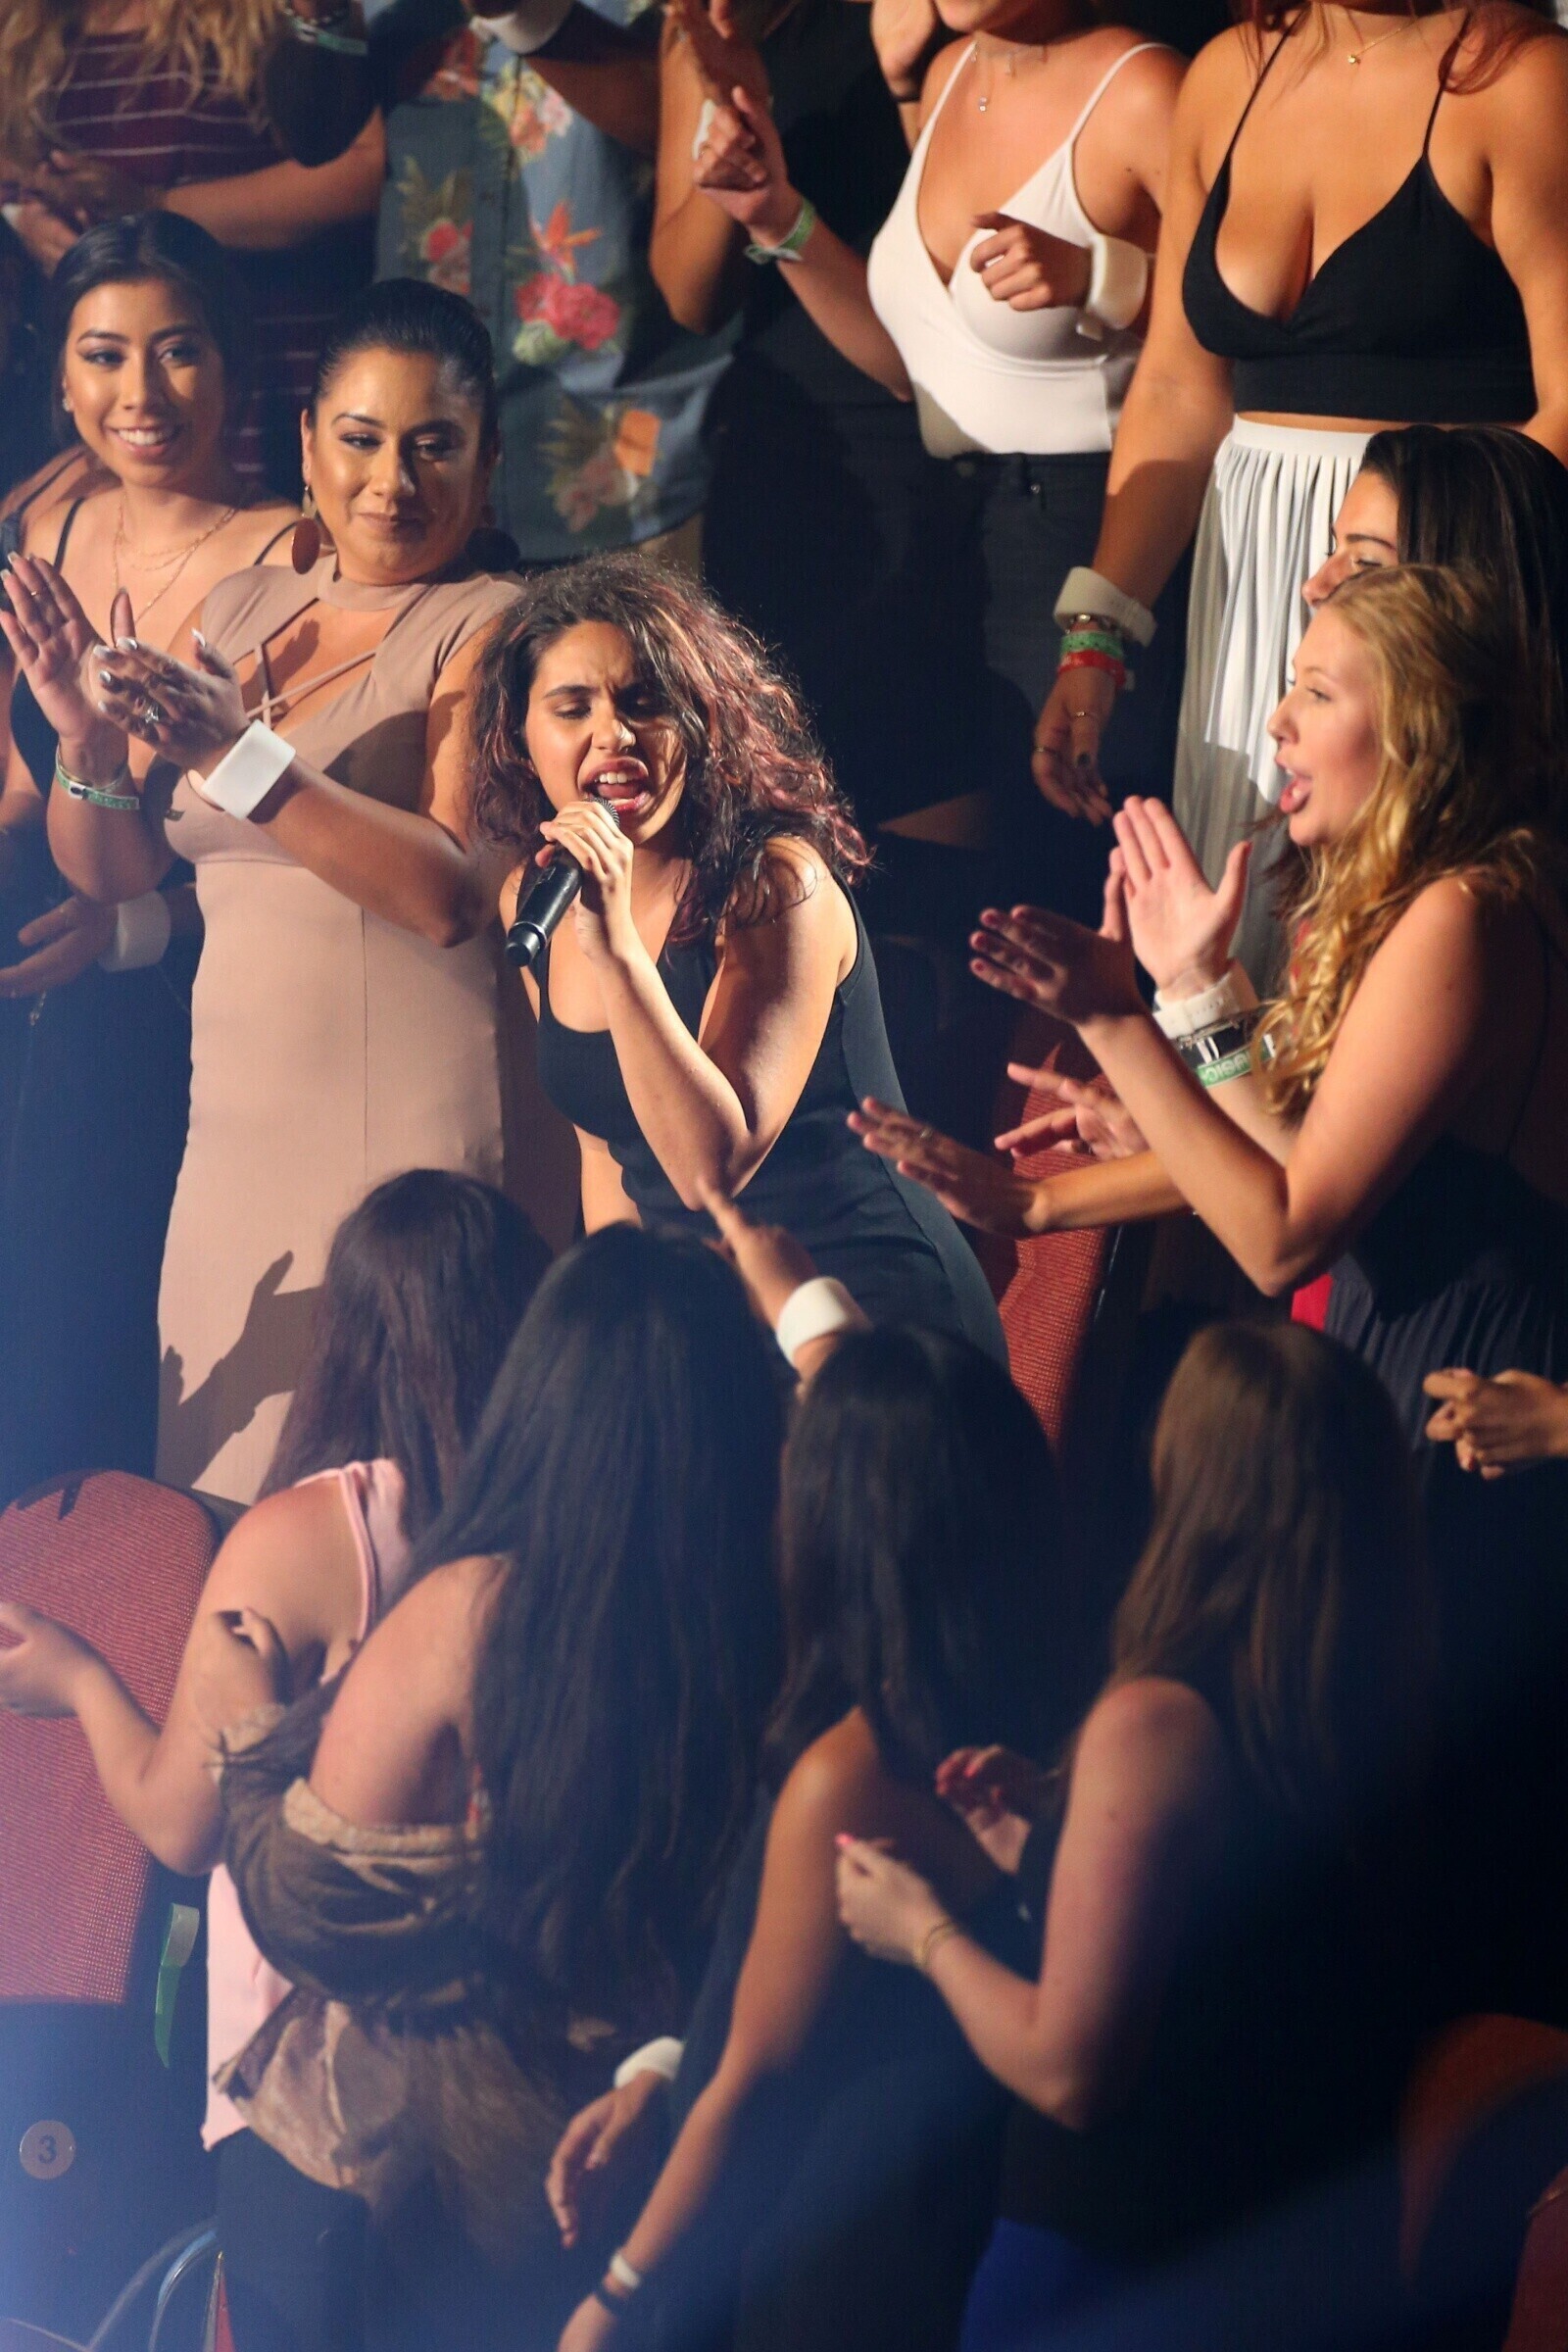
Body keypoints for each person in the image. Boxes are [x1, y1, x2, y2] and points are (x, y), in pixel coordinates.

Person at [4, 276, 548, 1503]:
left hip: (411, 1141)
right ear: (307, 445)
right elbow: (123, 868)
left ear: (488, 463)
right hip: (233, 1150)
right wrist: (86, 744)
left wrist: (235, 755)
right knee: (226, 1518)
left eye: (433, 445)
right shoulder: (249, 608)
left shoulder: (499, 625)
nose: (391, 481)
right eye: (360, 439)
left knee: (398, 1512)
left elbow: (451, 895)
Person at [0, 1168, 549, 2352]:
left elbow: (182, 1822)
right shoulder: (557, 1524)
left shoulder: (304, 1535)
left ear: (344, 1337)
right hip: (512, 2072)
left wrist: (79, 1681)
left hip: (316, 2091)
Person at [216, 1226, 784, 2352]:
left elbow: (318, 1908)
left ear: (541, 1396)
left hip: (445, 2169)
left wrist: (249, 1735)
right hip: (656, 2158)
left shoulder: (473, 1612)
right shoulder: (766, 1605)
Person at [837, 1319, 1435, 2344]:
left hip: (1112, 2271)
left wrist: (921, 1930)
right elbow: (1231, 1966)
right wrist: (1049, 1849)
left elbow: (1071, 2072)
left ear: (1197, 1486)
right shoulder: (1360, 1721)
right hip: (1281, 2262)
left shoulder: (1155, 1723)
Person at [851, 422, 1568, 1247]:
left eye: (1365, 563)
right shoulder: (1391, 869)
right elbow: (1315, 1137)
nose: (1316, 584)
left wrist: (1173, 1002)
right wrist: (1042, 1200)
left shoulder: (1470, 906)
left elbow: (1291, 1224)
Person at [553, 1306, 1078, 2352]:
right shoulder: (1032, 1727)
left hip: (808, 2263)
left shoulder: (849, 1773)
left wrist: (613, 2298)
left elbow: (753, 2084)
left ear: (853, 1520)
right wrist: (664, 2072)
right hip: (921, 2235)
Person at [1029, 0, 1568, 983]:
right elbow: (1178, 388)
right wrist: (1097, 633)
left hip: (1430, 597)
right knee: (1229, 950)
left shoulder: (1520, 77)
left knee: (1386, 962)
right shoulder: (1227, 74)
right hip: (1246, 599)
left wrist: (1409, 597)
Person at [665, 0, 1188, 937]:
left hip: (1090, 536)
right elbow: (917, 364)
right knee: (954, 923)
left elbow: (1219, 339)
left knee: (1081, 911)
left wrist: (1104, 279)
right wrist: (774, 213)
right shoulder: (950, 78)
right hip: (953, 543)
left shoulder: (1147, 89)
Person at [467, 552, 1007, 1354]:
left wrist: (616, 949)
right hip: (708, 1323)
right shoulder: (534, 897)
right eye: (572, 709)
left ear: (701, 722)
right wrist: (627, 1339)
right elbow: (607, 1153)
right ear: (522, 739)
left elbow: (706, 1171)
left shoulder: (776, 886)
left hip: (865, 1319)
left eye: (644, 702)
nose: (613, 734)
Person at [0, 214, 297, 1500]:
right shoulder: (46, 532)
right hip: (48, 989)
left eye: (178, 352)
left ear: (233, 366)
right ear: (62, 381)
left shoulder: (291, 555)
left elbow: (286, 854)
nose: (142, 394)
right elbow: (22, 785)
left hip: (197, 1006)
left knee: (111, 1361)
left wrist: (129, 919)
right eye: (105, 356)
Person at [264, 0, 736, 565]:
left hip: (615, 465)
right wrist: (322, 14)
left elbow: (701, 130)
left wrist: (521, 15)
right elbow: (314, 137)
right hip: (414, 476)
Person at [0, 0, 383, 493]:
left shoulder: (261, 12)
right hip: (100, 385)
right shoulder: (26, 20)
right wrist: (21, 216)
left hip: (266, 358)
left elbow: (360, 172)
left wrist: (156, 208)